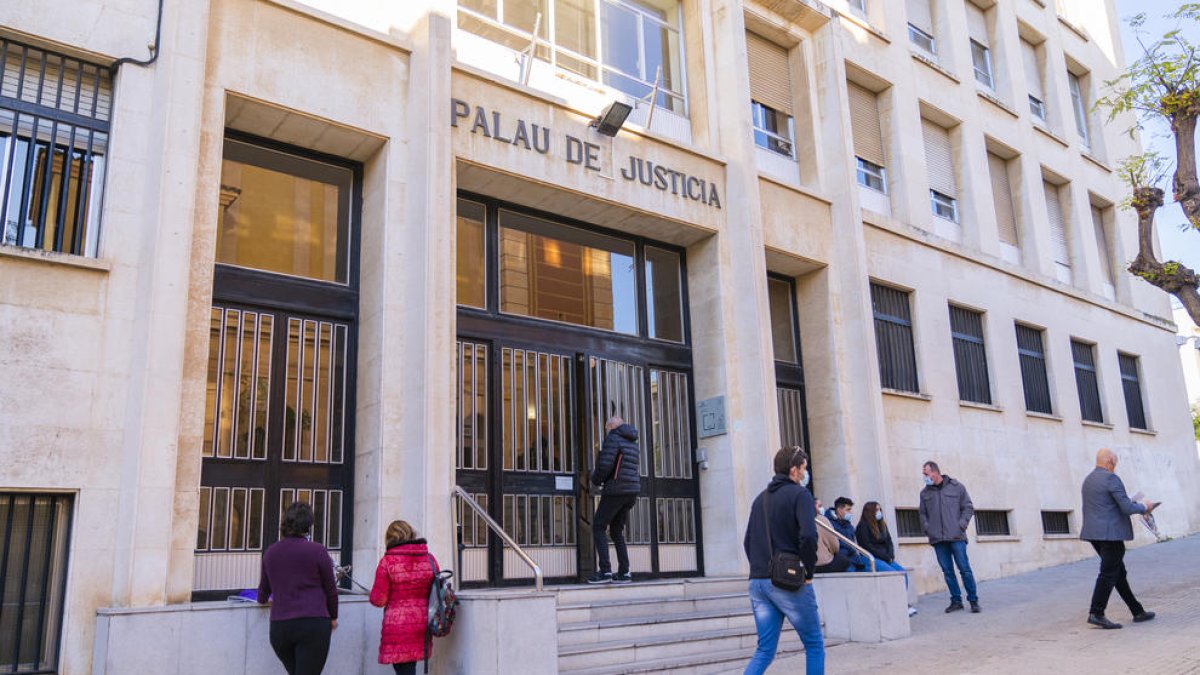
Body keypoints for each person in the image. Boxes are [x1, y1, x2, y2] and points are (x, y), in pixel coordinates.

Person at [742, 447, 824, 675]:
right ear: (794, 470)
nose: (806, 474)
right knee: (814, 644)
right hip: (788, 582)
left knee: (764, 650)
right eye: (804, 468)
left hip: (758, 583)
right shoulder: (801, 496)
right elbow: (808, 536)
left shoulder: (760, 499)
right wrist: (808, 573)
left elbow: (747, 541)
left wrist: (761, 568)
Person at [1080, 447, 1160, 629]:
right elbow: (1126, 508)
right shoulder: (1111, 478)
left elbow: (1106, 505)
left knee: (1118, 573)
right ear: (1109, 462)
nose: (1114, 467)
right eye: (1114, 464)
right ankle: (1096, 612)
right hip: (1111, 535)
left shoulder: (1089, 479)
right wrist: (1144, 506)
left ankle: (1137, 611)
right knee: (1108, 574)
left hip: (1095, 535)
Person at [257, 501, 339, 675]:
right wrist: (333, 616)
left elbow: (262, 594)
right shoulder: (317, 550)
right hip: (313, 624)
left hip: (280, 628)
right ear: (308, 525)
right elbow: (331, 590)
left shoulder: (270, 552)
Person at [369, 520, 437, 674]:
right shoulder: (429, 559)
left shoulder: (387, 562)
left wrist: (372, 594)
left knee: (404, 669)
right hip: (423, 622)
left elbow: (378, 600)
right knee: (408, 667)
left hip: (398, 626)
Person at [919, 461, 980, 613]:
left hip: (956, 536)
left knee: (964, 569)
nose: (924, 477)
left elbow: (968, 507)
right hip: (938, 539)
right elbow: (922, 514)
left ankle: (973, 600)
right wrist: (928, 529)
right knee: (947, 571)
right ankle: (956, 601)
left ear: (935, 472)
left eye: (926, 474)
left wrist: (961, 525)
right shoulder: (925, 493)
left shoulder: (957, 487)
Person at [587, 415, 640, 584]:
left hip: (616, 490)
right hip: (631, 491)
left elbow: (605, 465)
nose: (605, 431)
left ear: (611, 426)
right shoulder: (632, 441)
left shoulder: (613, 438)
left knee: (598, 527)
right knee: (617, 530)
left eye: (606, 428)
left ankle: (605, 571)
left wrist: (594, 479)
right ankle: (624, 572)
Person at [855, 501, 918, 616]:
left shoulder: (881, 524)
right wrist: (885, 557)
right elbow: (867, 546)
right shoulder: (862, 526)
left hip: (886, 557)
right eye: (876, 510)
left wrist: (890, 555)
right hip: (872, 558)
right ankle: (899, 605)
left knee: (902, 573)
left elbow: (889, 541)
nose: (879, 512)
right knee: (893, 574)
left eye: (880, 509)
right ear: (870, 512)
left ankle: (902, 602)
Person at [824, 497, 869, 571]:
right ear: (839, 510)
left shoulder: (848, 524)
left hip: (854, 559)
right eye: (848, 510)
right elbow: (834, 544)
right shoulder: (828, 523)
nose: (850, 512)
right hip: (840, 560)